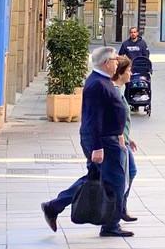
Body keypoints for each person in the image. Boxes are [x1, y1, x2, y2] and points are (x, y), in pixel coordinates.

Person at [41, 47, 132, 237]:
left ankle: (54, 206)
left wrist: (120, 134)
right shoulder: (97, 84)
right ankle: (111, 226)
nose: (117, 62)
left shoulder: (102, 81)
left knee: (96, 177)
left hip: (109, 139)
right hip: (103, 142)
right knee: (115, 181)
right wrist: (98, 147)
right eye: (115, 60)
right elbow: (94, 118)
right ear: (106, 63)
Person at [112, 55, 139, 223]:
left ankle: (121, 208)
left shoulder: (118, 90)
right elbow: (113, 118)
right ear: (120, 73)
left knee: (130, 172)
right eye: (128, 70)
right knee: (126, 174)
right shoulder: (114, 91)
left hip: (124, 140)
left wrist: (129, 138)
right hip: (117, 142)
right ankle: (117, 210)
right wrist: (121, 137)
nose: (131, 73)